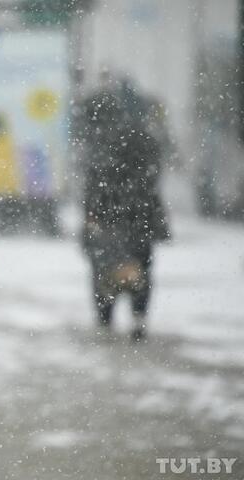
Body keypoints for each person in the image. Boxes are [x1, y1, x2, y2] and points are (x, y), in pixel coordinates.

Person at [78, 78, 170, 341]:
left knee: (103, 267)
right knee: (142, 266)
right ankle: (139, 317)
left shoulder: (102, 141)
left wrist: (92, 213)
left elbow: (94, 181)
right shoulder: (147, 140)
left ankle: (106, 317)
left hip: (110, 215)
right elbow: (153, 177)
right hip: (141, 216)